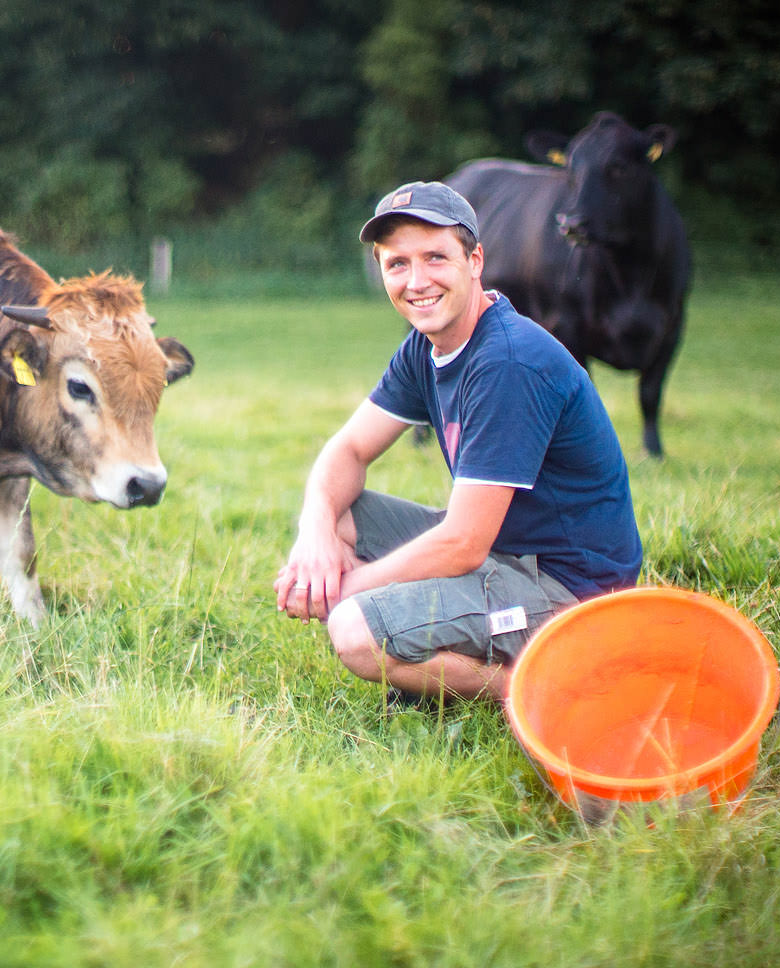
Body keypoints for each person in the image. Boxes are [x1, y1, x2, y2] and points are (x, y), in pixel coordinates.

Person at [274, 181, 641, 704]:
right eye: (397, 264)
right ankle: (442, 644)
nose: (417, 281)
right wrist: (313, 539)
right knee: (337, 514)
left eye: (435, 258)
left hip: (571, 592)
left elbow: (463, 542)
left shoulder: (508, 362)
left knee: (354, 631)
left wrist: (344, 590)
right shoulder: (426, 347)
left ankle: (551, 690)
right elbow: (348, 450)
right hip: (500, 556)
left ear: (475, 261)